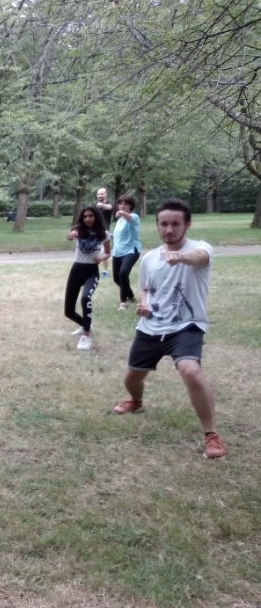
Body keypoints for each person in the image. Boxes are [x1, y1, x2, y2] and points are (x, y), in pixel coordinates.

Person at [110, 200, 226, 459]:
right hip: (150, 326)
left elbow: (200, 257)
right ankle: (136, 401)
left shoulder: (199, 248)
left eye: (175, 224)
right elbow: (147, 288)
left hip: (187, 325)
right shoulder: (150, 258)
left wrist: (181, 257)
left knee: (191, 370)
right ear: (158, 225)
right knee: (132, 377)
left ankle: (212, 435)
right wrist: (144, 304)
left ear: (187, 224)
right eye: (164, 224)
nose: (169, 229)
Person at [64, 206, 111, 351]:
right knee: (68, 312)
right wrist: (71, 235)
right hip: (76, 270)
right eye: (85, 216)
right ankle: (86, 325)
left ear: (96, 217)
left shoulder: (103, 234)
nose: (88, 219)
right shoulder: (79, 230)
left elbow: (108, 252)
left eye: (91, 216)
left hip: (91, 272)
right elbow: (69, 236)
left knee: (85, 298)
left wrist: (101, 257)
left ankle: (86, 336)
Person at [111, 193, 142, 310]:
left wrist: (122, 213)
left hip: (131, 250)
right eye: (120, 203)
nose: (122, 206)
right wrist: (108, 235)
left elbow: (129, 218)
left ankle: (123, 303)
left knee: (123, 273)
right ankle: (131, 295)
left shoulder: (134, 217)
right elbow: (117, 236)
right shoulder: (119, 221)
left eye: (125, 204)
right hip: (117, 252)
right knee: (116, 278)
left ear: (130, 206)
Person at [94, 187, 114, 278]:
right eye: (98, 194)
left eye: (102, 194)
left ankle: (105, 271)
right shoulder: (94, 205)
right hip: (94, 231)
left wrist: (101, 205)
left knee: (104, 252)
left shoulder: (109, 203)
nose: (100, 195)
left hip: (104, 232)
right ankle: (92, 269)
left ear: (106, 194)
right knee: (94, 251)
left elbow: (110, 207)